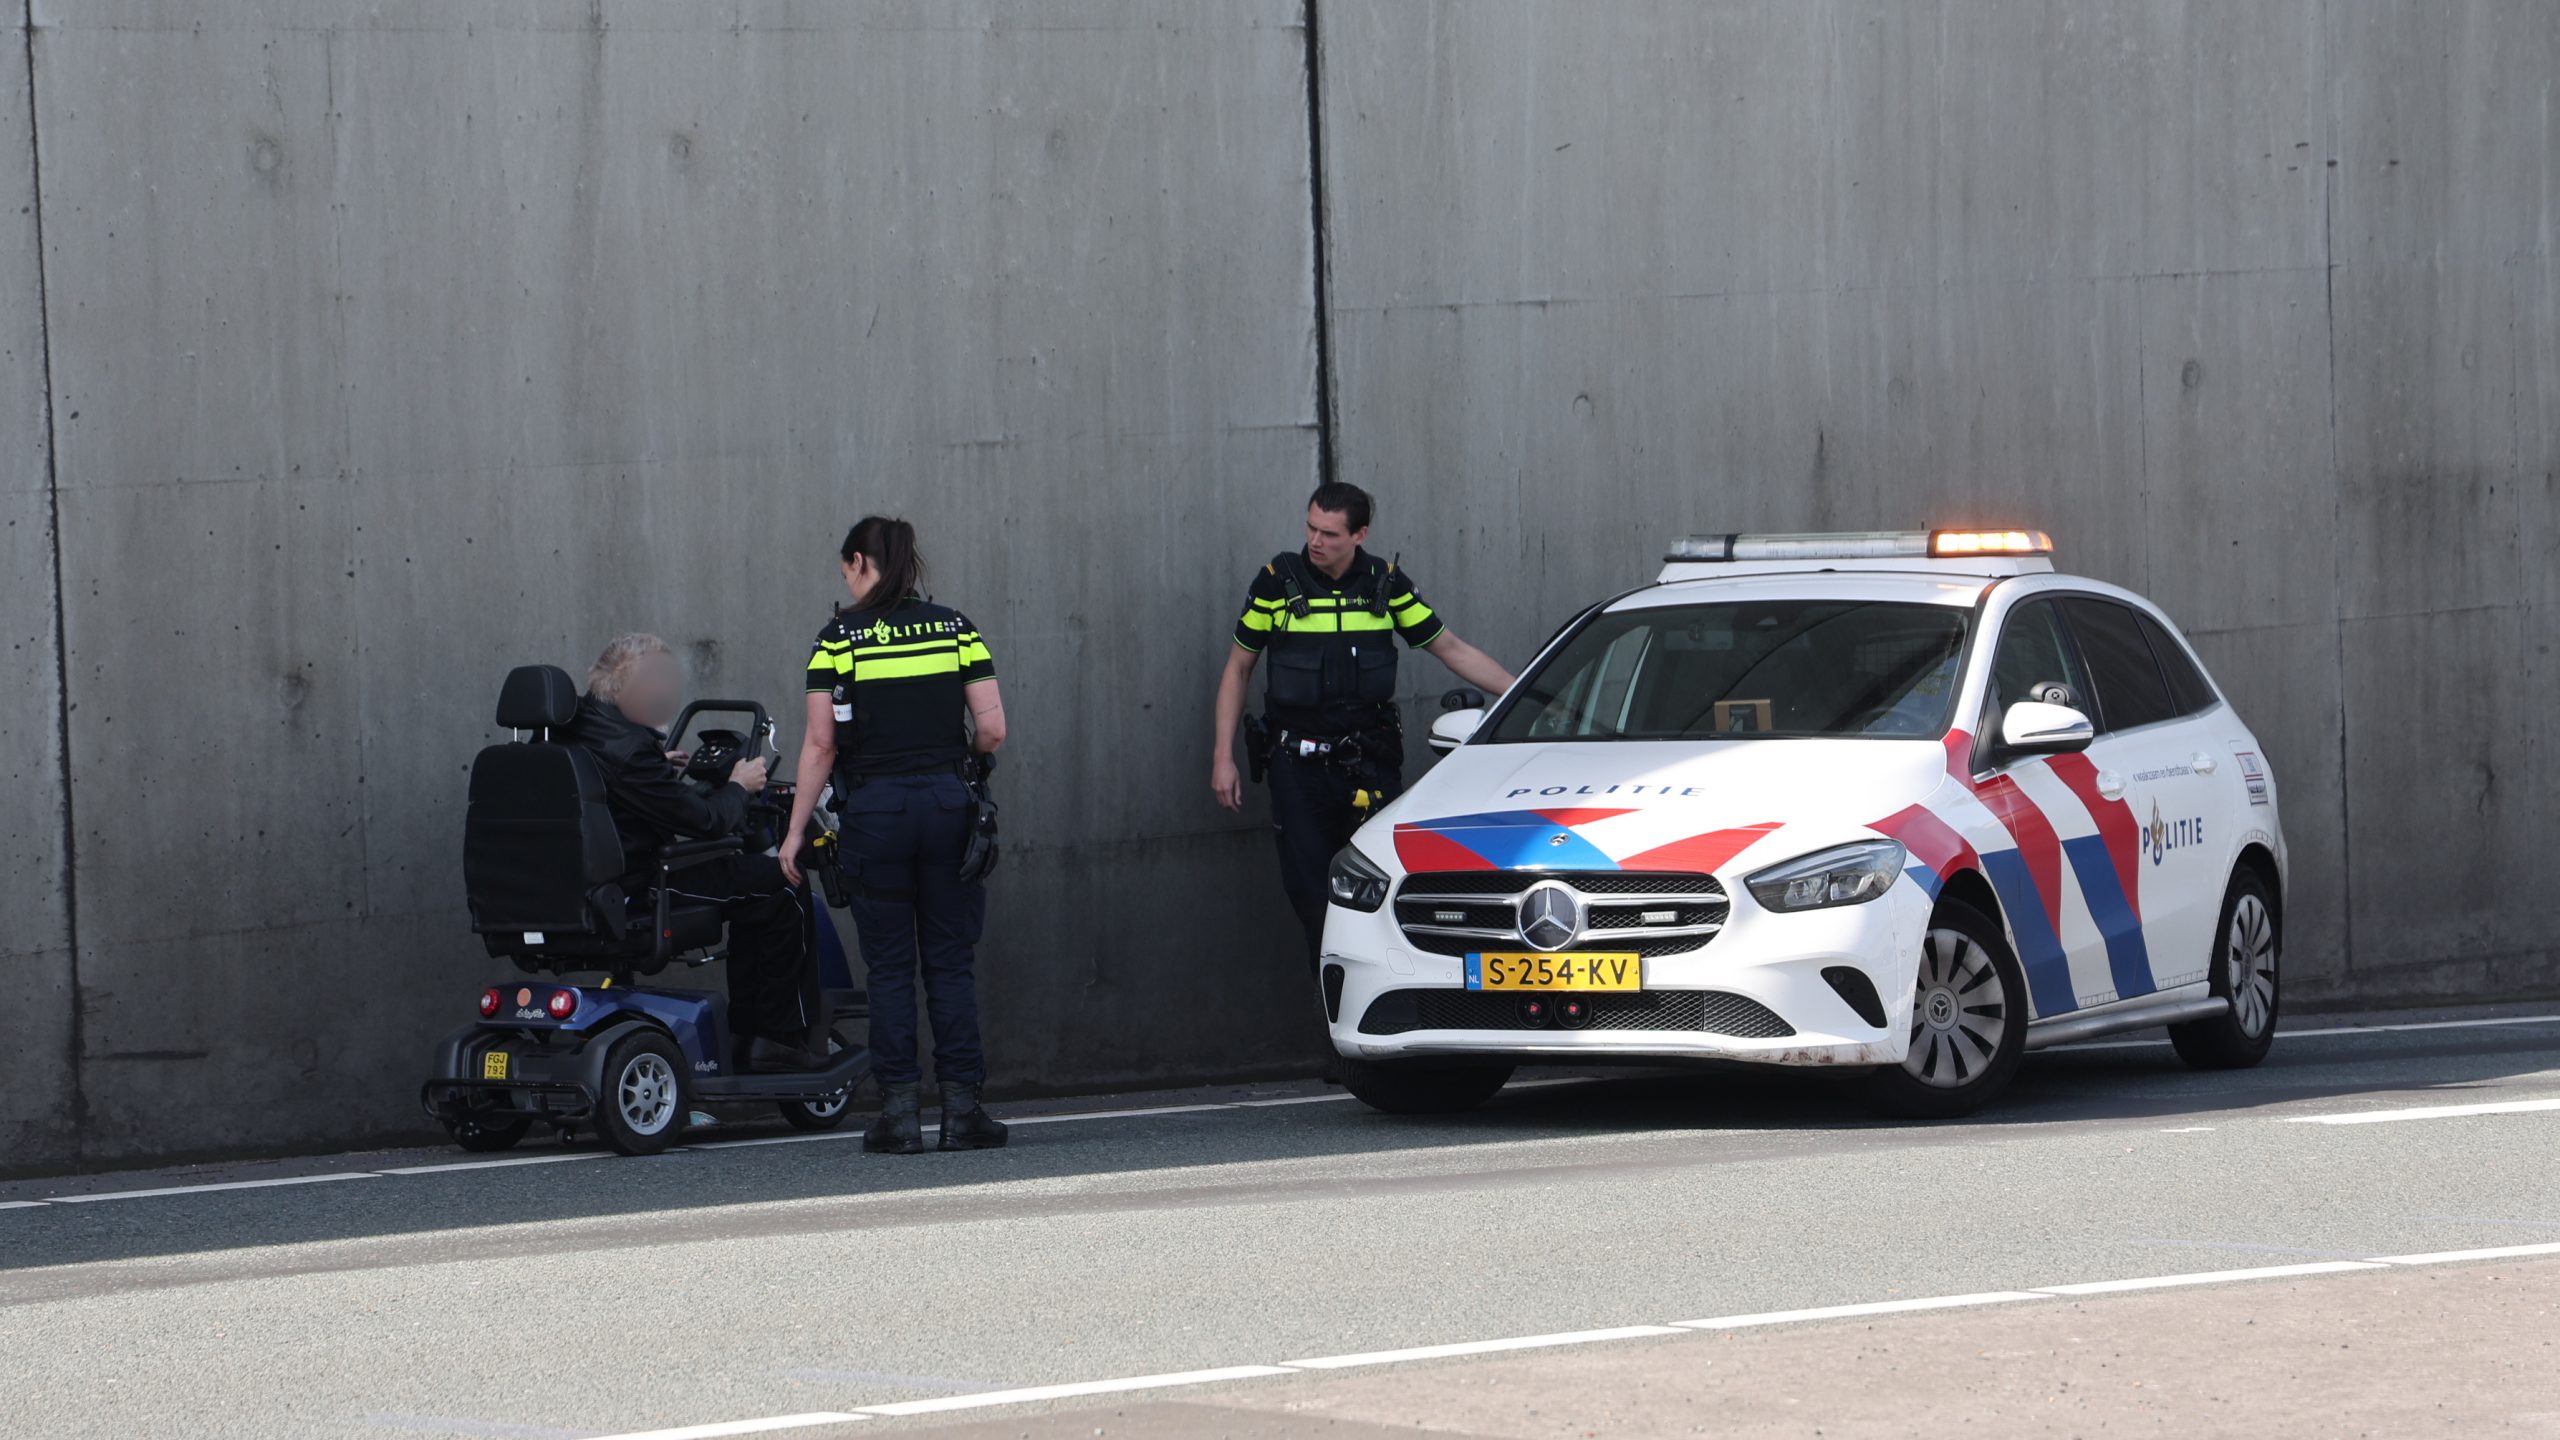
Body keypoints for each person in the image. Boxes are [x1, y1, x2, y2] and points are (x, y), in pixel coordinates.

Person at [1211, 482, 1515, 970]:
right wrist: (1222, 756)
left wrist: (1520, 694)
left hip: (1369, 766)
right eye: (1310, 527)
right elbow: (1238, 668)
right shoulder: (1276, 583)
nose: (1314, 541)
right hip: (1298, 769)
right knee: (1315, 900)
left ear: (1360, 534)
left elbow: (1451, 648)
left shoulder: (1385, 583)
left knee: (1386, 888)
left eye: (1329, 533)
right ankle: (1333, 1021)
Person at [779, 517, 1011, 1154]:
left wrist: (795, 832)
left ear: (858, 562)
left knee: (888, 971)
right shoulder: (955, 627)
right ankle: (963, 1112)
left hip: (874, 814)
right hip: (947, 804)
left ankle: (900, 1117)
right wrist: (961, 766)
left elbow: (822, 744)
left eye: (844, 567)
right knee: (949, 964)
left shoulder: (838, 641)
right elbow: (992, 729)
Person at [563, 633, 825, 1070]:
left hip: (573, 891)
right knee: (782, 885)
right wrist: (740, 785)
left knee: (747, 889)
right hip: (636, 889)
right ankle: (774, 1038)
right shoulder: (629, 750)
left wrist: (658, 768)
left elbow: (611, 789)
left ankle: (750, 1033)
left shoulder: (571, 730)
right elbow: (705, 821)